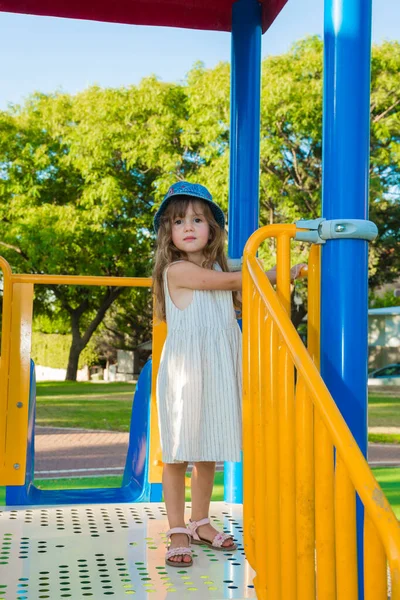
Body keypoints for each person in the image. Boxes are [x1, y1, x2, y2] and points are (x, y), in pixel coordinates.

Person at [152, 181, 305, 567]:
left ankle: (201, 521)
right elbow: (237, 279)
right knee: (178, 454)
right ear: (169, 234)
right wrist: (284, 271)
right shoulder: (177, 270)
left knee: (208, 452)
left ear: (212, 229)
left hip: (216, 369)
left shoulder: (217, 263)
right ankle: (177, 529)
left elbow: (236, 268)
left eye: (197, 219)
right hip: (186, 374)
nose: (188, 227)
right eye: (178, 221)